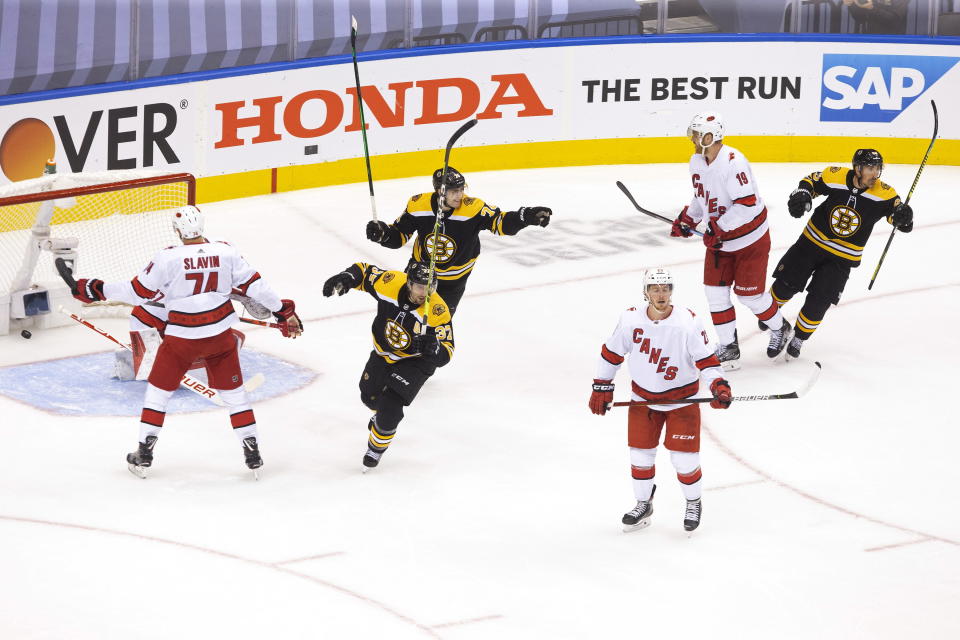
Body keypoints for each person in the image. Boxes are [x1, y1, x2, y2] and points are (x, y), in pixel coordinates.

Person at [69, 205, 303, 478]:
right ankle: (252, 453)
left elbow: (136, 292)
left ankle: (144, 454)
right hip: (220, 337)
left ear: (177, 230)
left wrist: (96, 289)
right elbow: (257, 287)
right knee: (236, 398)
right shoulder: (226, 250)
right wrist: (282, 312)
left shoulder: (167, 258)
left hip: (182, 339)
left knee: (157, 394)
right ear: (203, 226)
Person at [588, 267, 732, 533]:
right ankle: (644, 504)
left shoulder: (686, 322)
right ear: (645, 292)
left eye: (666, 288)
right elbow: (611, 353)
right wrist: (601, 386)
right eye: (655, 288)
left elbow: (707, 361)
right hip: (642, 401)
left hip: (682, 402)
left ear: (672, 291)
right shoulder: (630, 320)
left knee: (684, 461)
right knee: (640, 457)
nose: (661, 293)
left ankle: (693, 502)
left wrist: (718, 384)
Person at [669, 112, 790, 370]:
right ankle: (728, 347)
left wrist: (719, 227)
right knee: (715, 294)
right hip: (721, 241)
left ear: (711, 136)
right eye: (693, 133)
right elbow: (702, 196)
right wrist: (689, 219)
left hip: (750, 240)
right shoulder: (697, 162)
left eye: (698, 134)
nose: (693, 139)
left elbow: (746, 205)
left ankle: (781, 328)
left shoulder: (734, 162)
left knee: (750, 296)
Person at [767, 149, 913, 359]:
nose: (875, 174)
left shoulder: (886, 194)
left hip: (842, 259)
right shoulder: (835, 175)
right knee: (782, 288)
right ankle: (776, 325)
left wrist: (904, 217)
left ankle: (799, 337)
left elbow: (899, 220)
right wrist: (803, 194)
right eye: (870, 168)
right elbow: (811, 182)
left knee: (819, 302)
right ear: (858, 168)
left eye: (877, 169)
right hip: (810, 244)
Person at [364, 166, 551, 315]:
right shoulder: (417, 204)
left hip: (453, 283)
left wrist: (526, 216)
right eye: (453, 191)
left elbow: (500, 223)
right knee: (401, 317)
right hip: (419, 275)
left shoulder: (473, 208)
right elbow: (399, 236)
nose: (459, 195)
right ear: (439, 191)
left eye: (461, 190)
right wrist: (384, 234)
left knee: (433, 329)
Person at [322, 260, 454, 470]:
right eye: (421, 287)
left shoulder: (437, 311)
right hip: (382, 354)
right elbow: (364, 272)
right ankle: (380, 417)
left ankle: (375, 449)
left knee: (390, 409)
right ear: (409, 284)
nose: (425, 293)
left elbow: (448, 350)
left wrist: (433, 348)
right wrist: (346, 277)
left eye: (431, 288)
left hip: (415, 362)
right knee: (368, 396)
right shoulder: (390, 282)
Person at [843, 0, 909, 35]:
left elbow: (893, 19)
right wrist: (851, 4)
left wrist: (872, 8)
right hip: (869, 39)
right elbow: (860, 18)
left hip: (893, 42)